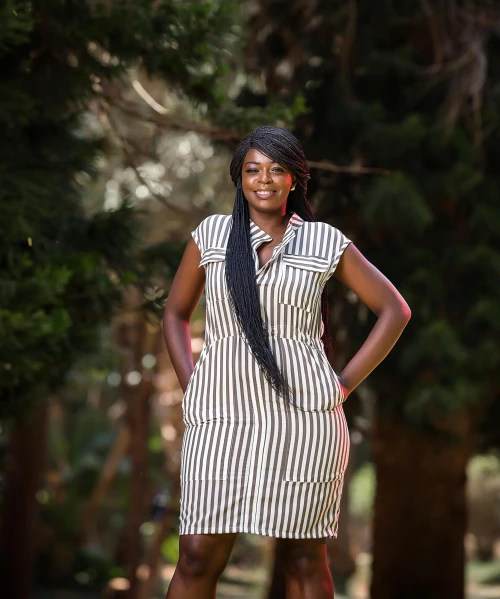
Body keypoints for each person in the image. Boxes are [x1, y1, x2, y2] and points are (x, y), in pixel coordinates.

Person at [162, 125, 411, 599]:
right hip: (220, 418)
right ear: (239, 178)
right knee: (196, 554)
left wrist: (342, 384)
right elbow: (174, 314)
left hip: (304, 420)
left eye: (277, 170)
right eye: (253, 169)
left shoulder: (323, 242)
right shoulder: (213, 235)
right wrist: (193, 384)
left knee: (303, 561)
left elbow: (395, 310)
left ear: (294, 180)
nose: (264, 179)